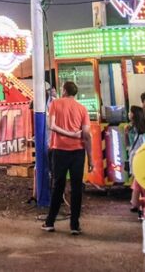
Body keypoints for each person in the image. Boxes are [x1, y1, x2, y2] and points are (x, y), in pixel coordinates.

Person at [43, 81, 92, 235]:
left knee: (58, 185)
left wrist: (67, 134)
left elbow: (52, 126)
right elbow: (86, 135)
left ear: (64, 90)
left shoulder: (55, 104)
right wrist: (91, 158)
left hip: (59, 151)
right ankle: (74, 225)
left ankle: (50, 222)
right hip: (78, 152)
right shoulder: (82, 109)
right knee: (77, 188)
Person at [127, 106, 145, 180]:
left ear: (135, 114)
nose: (129, 114)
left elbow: (127, 143)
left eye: (130, 112)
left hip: (134, 154)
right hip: (144, 154)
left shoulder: (128, 127)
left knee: (136, 177)